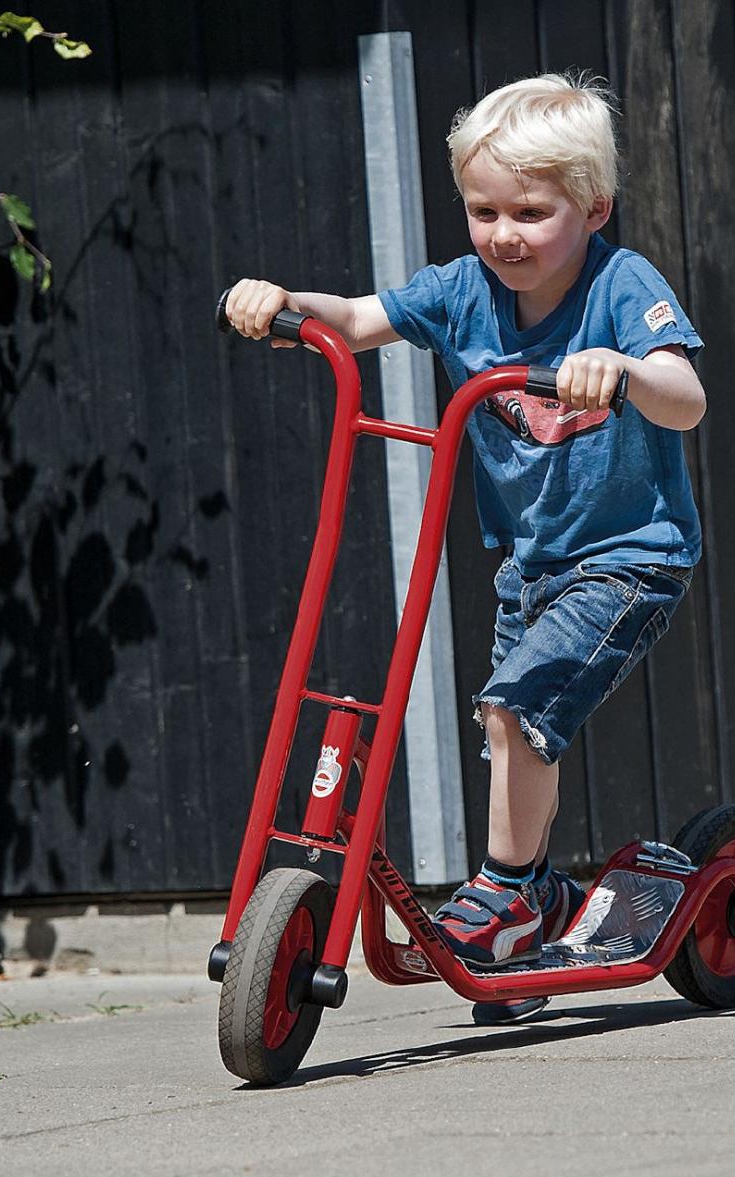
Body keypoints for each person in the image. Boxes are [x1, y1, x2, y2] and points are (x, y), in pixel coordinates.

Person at [222, 73, 706, 980]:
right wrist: (282, 305)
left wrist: (624, 369)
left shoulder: (622, 285)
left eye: (530, 212)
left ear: (595, 206)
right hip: (531, 563)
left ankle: (508, 891)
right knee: (506, 725)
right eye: (483, 212)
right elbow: (360, 319)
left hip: (628, 559)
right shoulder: (460, 290)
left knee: (512, 711)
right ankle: (541, 895)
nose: (503, 236)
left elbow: (686, 400)